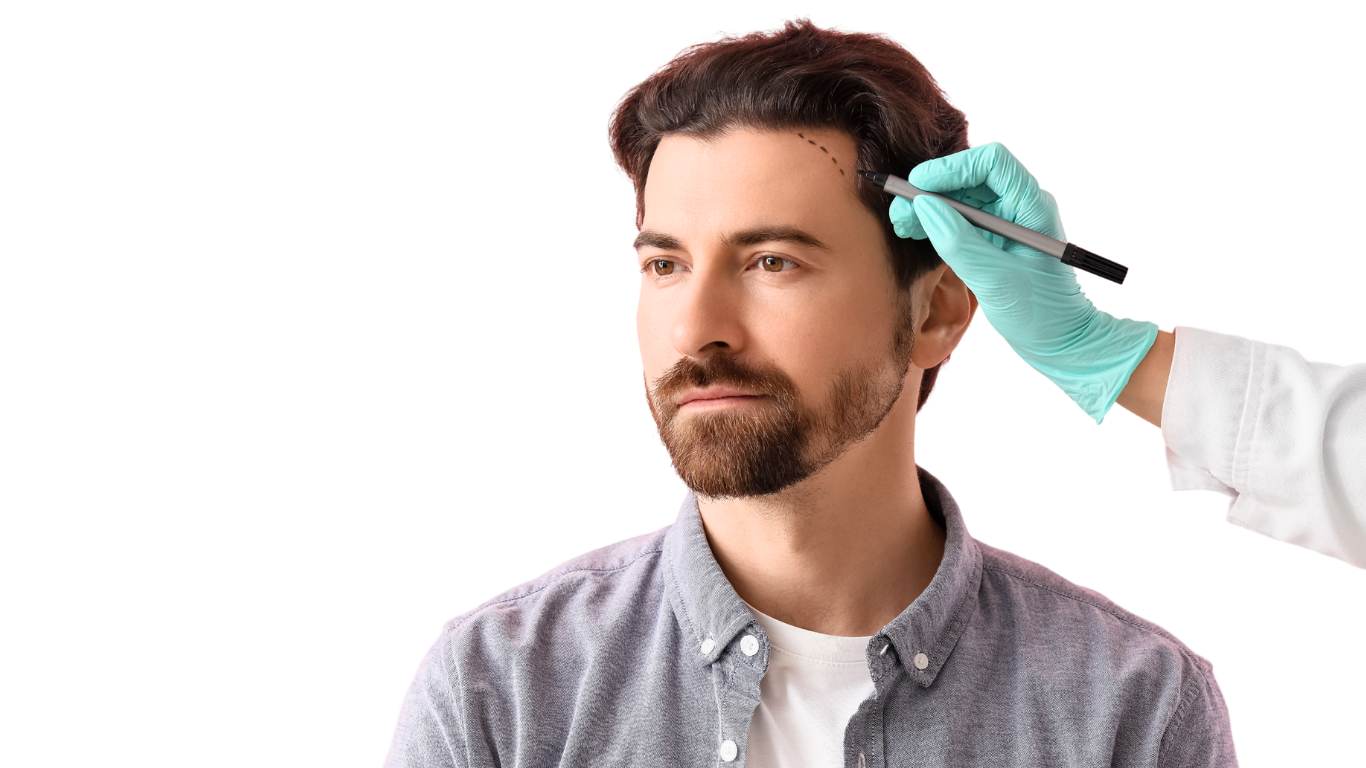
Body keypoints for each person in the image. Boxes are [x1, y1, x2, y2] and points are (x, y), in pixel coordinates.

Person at [385, 21, 1236, 768]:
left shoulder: (1137, 713)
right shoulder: (497, 694)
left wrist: (1112, 354)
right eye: (665, 265)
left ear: (937, 309)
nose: (696, 330)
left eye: (772, 262)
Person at [889, 144, 1366, 569]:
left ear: (933, 313)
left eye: (808, 264)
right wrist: (1095, 348)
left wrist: (1092, 346)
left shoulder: (1132, 670)